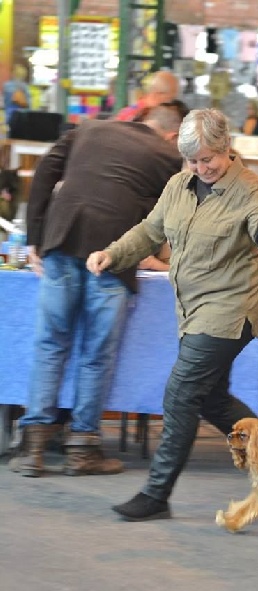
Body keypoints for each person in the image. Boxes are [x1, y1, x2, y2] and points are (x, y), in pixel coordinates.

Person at [86, 108, 258, 521]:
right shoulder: (179, 186)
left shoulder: (249, 190)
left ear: (226, 148)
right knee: (212, 400)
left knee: (181, 394)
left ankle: (156, 493)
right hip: (193, 310)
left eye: (208, 159)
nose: (202, 168)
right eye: (193, 161)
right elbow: (149, 231)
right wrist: (113, 253)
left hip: (230, 311)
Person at [10, 101, 187, 478]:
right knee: (95, 355)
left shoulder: (88, 128)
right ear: (172, 134)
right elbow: (161, 220)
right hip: (112, 257)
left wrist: (36, 238)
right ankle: (82, 450)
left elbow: (44, 174)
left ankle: (32, 450)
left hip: (62, 240)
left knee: (50, 346)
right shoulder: (168, 155)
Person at [114, 70, 180, 121]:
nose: (172, 104)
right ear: (159, 94)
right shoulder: (147, 118)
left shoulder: (131, 110)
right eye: (171, 98)